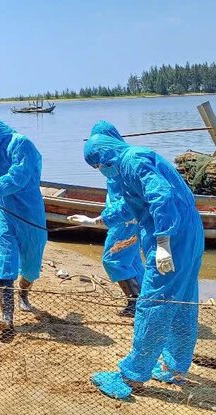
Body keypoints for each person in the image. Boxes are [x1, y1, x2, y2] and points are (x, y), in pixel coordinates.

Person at [71, 131, 204, 400]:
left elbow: (161, 197)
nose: (100, 171)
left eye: (98, 165)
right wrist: (97, 221)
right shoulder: (130, 163)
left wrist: (163, 241)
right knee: (183, 301)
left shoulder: (133, 161)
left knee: (153, 304)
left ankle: (132, 375)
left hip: (172, 238)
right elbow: (132, 205)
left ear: (106, 157)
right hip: (188, 233)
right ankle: (174, 366)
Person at [0, 112, 47, 340]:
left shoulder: (20, 143)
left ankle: (23, 294)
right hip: (5, 212)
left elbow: (19, 175)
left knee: (31, 265)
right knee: (4, 262)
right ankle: (8, 320)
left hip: (29, 213)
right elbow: (0, 174)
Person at [71, 121, 143, 317]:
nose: (99, 167)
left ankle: (135, 302)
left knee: (113, 259)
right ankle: (146, 300)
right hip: (123, 220)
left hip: (125, 222)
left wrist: (97, 220)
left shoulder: (122, 167)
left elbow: (128, 203)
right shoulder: (115, 166)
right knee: (132, 260)